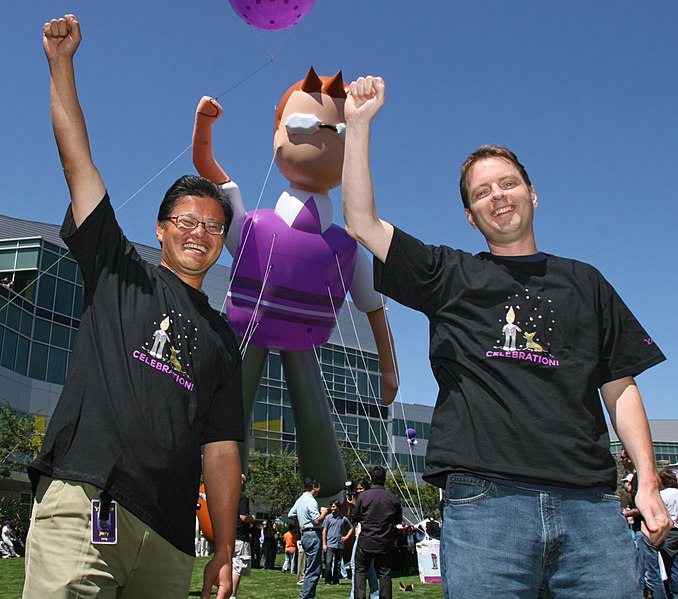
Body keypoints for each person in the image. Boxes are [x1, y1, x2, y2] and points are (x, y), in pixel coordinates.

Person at [341, 75, 671, 598]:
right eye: (482, 192)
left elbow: (620, 387)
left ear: (533, 193)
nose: (499, 196)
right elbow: (361, 222)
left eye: (509, 183)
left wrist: (648, 482)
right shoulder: (449, 275)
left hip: (591, 508)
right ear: (471, 218)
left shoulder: (586, 281)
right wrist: (358, 126)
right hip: (486, 507)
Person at [25, 15, 244, 599]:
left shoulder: (224, 340)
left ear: (223, 240)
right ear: (161, 228)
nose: (199, 232)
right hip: (86, 503)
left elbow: (223, 451)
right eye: (186, 221)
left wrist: (222, 547)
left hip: (171, 541)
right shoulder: (117, 269)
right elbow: (77, 161)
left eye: (213, 226)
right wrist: (62, 64)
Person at [192, 69, 398, 497]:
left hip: (303, 339)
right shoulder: (252, 225)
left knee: (313, 407)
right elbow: (207, 168)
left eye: (339, 132)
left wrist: (389, 365)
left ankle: (329, 490)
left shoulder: (347, 245)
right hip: (247, 333)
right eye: (304, 125)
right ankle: (217, 485)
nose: (323, 136)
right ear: (278, 133)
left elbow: (374, 306)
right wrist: (204, 125)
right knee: (235, 403)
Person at [351, 466, 402, 599]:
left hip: (366, 541)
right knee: (384, 574)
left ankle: (359, 596)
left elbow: (355, 516)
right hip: (384, 542)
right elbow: (398, 520)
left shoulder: (363, 497)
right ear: (384, 479)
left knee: (360, 571)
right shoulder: (392, 498)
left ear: (371, 479)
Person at [288, 477, 329, 598]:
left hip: (304, 534)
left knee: (310, 567)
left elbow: (291, 514)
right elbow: (317, 521)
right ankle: (306, 596)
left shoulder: (300, 499)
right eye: (319, 486)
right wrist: (324, 513)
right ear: (314, 487)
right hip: (313, 534)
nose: (320, 489)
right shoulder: (311, 501)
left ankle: (307, 594)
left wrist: (301, 521)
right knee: (313, 569)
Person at [232, 474, 256, 599]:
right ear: (240, 481)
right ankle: (232, 595)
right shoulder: (241, 497)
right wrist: (252, 518)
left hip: (229, 536)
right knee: (238, 566)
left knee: (230, 565)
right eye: (245, 482)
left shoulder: (228, 496)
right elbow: (243, 517)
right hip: (240, 537)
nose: (245, 485)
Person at [322, 499, 353, 585]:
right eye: (331, 507)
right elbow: (324, 531)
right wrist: (324, 544)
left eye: (333, 506)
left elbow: (351, 528)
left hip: (339, 544)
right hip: (330, 544)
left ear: (338, 507)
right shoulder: (328, 518)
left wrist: (346, 537)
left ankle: (336, 581)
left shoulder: (343, 519)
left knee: (337, 564)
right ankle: (328, 580)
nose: (332, 508)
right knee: (328, 563)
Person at [659, 469, 678, 597]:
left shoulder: (662, 495)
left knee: (665, 566)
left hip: (668, 532)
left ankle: (669, 593)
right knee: (677, 567)